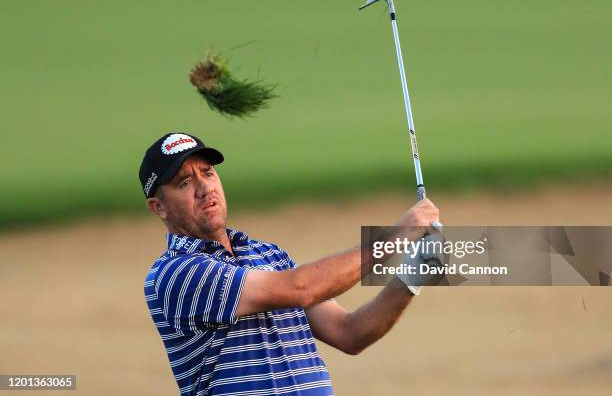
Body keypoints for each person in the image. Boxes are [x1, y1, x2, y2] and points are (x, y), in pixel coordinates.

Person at [141, 132, 441, 396]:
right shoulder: (175, 274)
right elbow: (301, 289)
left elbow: (350, 332)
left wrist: (415, 272)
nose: (205, 188)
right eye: (184, 183)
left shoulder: (269, 255)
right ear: (159, 207)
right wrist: (396, 237)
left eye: (207, 173)